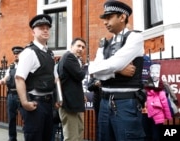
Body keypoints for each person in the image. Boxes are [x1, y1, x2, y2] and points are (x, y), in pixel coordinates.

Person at [88, 1, 145, 140]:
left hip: (125, 103)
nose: (105, 22)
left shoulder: (135, 37)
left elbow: (114, 63)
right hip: (104, 103)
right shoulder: (104, 43)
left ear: (122, 17)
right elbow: (92, 69)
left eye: (109, 17)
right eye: (104, 19)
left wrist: (109, 68)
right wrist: (117, 71)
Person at [15, 14, 55, 141]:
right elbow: (19, 78)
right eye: (41, 28)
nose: (45, 30)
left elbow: (52, 78)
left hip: (48, 104)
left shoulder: (49, 53)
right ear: (33, 31)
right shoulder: (29, 52)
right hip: (35, 104)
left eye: (47, 28)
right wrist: (25, 102)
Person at [57, 37, 86, 141]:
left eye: (83, 47)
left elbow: (73, 81)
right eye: (78, 46)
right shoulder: (69, 56)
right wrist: (84, 67)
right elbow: (80, 75)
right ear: (71, 46)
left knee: (79, 132)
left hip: (74, 104)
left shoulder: (74, 60)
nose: (81, 49)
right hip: (69, 105)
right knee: (71, 137)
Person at [0, 46, 23, 141]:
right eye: (15, 54)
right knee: (11, 119)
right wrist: (3, 80)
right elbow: (7, 77)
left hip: (22, 95)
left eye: (18, 53)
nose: (16, 55)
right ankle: (12, 138)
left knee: (26, 118)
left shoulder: (25, 65)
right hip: (11, 95)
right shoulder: (11, 67)